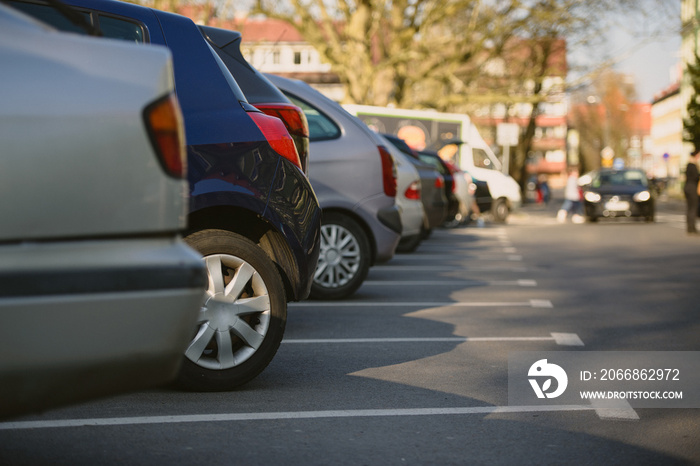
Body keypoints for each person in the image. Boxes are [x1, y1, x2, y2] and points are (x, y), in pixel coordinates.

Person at [684, 150, 700, 234]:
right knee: (693, 208)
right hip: (693, 188)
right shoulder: (693, 166)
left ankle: (689, 227)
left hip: (687, 187)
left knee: (689, 208)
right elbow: (696, 177)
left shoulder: (688, 165)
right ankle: (692, 228)